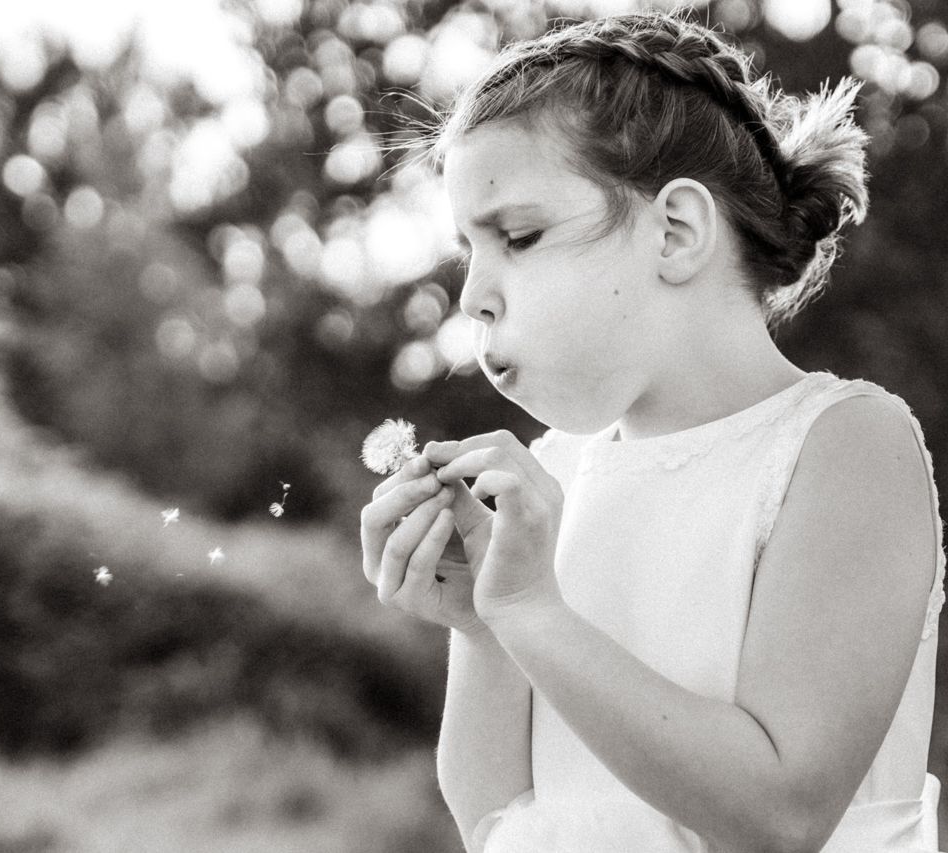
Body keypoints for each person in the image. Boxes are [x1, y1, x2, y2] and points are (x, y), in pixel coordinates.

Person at [359, 10, 945, 853]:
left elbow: (781, 814)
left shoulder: (844, 445)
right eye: (468, 253)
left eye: (517, 237)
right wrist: (484, 627)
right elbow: (498, 822)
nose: (473, 296)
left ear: (675, 231)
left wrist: (530, 610)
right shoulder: (553, 479)